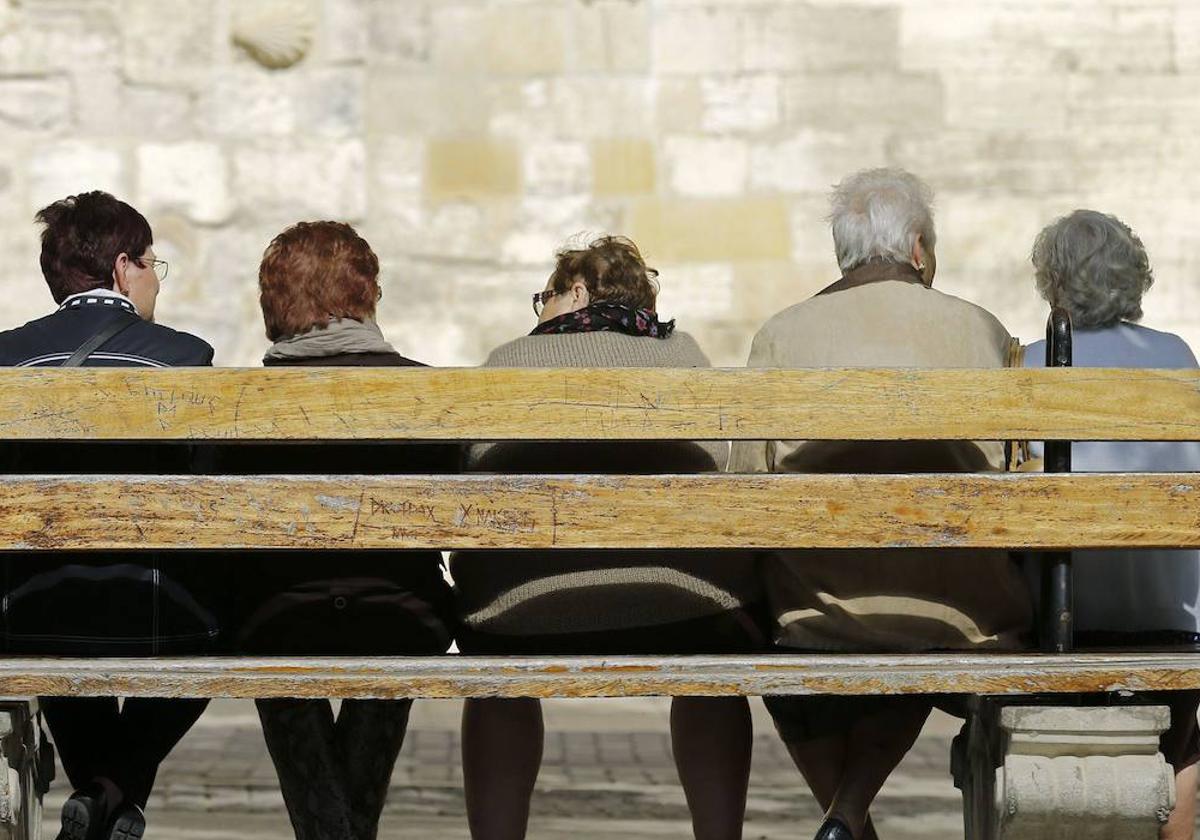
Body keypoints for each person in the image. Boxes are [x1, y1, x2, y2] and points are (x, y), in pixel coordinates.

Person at [729, 168, 1032, 840]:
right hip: (961, 610)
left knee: (792, 636)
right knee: (919, 614)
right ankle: (848, 818)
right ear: (918, 250)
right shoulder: (981, 331)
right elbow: (1015, 475)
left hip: (820, 608)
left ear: (844, 253)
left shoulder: (782, 334)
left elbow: (744, 490)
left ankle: (847, 817)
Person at [451, 235, 765, 840]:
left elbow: (471, 476)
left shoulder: (508, 362)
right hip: (686, 606)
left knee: (497, 681)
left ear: (575, 292)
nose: (538, 312)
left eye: (541, 298)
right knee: (712, 672)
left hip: (518, 614)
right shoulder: (688, 358)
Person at [219, 221, 457, 840]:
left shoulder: (235, 403)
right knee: (391, 635)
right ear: (367, 293)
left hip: (274, 618)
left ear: (275, 303)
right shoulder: (435, 393)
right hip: (405, 615)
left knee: (275, 645)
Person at [0, 191, 216, 840]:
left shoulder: (5, 358)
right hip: (150, 606)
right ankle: (113, 791)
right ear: (124, 268)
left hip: (26, 612)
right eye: (153, 264)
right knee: (210, 628)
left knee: (59, 608)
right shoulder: (187, 360)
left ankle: (99, 793)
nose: (156, 280)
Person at [1024, 209, 1200, 840]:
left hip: (1061, 621)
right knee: (1184, 732)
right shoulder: (1178, 357)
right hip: (1174, 619)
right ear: (1135, 279)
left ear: (1053, 282)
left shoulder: (1029, 361)